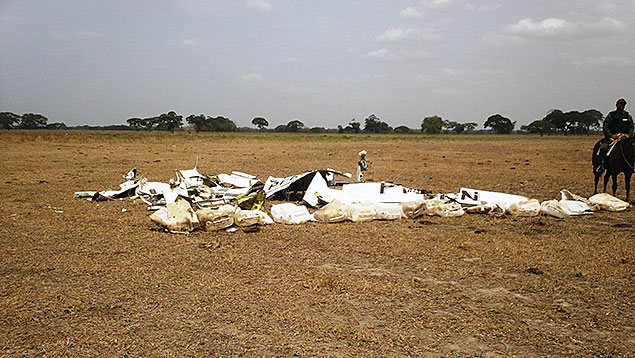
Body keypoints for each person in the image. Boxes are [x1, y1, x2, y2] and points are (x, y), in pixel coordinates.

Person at [596, 98, 634, 172]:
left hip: (625, 138)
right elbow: (605, 126)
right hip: (612, 138)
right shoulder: (611, 115)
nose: (622, 106)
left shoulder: (627, 115)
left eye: (623, 105)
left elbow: (632, 127)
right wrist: (611, 135)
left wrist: (628, 135)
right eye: (620, 104)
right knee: (603, 148)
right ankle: (601, 165)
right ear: (617, 105)